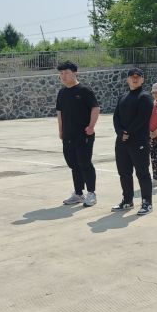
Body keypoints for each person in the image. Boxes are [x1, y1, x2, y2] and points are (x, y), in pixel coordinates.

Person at [56, 61, 100, 207]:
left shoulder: (84, 91)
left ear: (75, 73)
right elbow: (60, 113)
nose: (63, 76)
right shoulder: (62, 93)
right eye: (61, 73)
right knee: (74, 164)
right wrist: (61, 130)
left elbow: (95, 108)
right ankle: (78, 194)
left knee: (85, 163)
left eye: (66, 73)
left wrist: (91, 126)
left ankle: (91, 193)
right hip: (68, 135)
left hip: (84, 134)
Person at [111, 68, 154, 215]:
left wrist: (127, 132)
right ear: (127, 79)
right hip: (122, 142)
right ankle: (127, 200)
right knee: (124, 173)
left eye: (138, 77)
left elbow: (142, 118)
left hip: (138, 142)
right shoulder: (123, 97)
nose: (135, 79)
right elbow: (116, 117)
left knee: (142, 173)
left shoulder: (145, 97)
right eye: (132, 76)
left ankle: (147, 203)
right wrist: (120, 132)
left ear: (142, 80)